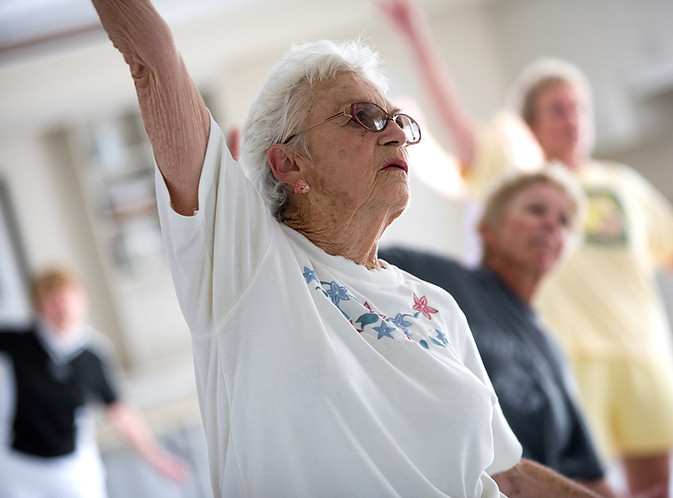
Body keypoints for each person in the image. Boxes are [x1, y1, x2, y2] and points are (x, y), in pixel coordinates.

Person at [90, 1, 605, 496]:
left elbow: (506, 474)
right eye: (364, 117)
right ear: (289, 164)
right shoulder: (248, 262)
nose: (396, 137)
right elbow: (150, 58)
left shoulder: (439, 307)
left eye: (398, 121)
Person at [378, 1, 673, 496]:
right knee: (573, 477)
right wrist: (415, 35)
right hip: (573, 357)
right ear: (532, 123)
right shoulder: (521, 184)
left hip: (643, 350)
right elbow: (460, 130)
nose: (573, 119)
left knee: (655, 483)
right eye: (558, 109)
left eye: (580, 107)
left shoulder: (625, 185)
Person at [380, 166, 618, 497]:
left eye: (564, 221)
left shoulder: (550, 348)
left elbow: (589, 474)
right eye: (536, 210)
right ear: (487, 228)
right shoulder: (428, 276)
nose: (552, 224)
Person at [0, 267, 188, 498]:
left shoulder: (93, 354)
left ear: (82, 300)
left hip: (73, 468)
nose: (62, 307)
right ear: (39, 305)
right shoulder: (18, 344)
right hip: (20, 466)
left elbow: (119, 411)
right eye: (53, 300)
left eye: (67, 298)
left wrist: (157, 458)